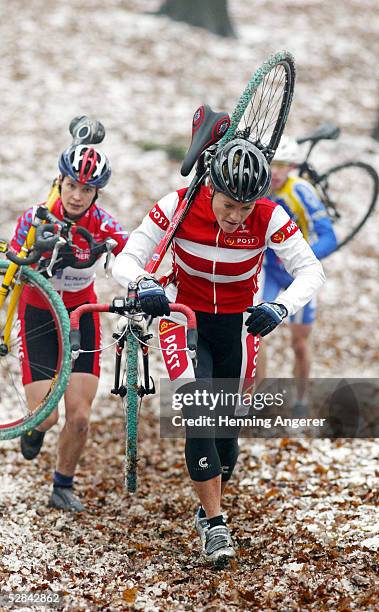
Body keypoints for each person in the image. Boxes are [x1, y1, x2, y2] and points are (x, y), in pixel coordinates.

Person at [112, 137, 325, 567]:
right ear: (212, 188)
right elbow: (126, 259)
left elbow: (311, 270)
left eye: (245, 208)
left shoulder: (268, 216)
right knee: (198, 412)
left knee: (226, 436)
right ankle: (214, 523)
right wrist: (145, 283)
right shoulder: (179, 204)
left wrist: (280, 306)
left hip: (237, 325)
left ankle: (216, 477)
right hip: (183, 318)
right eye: (229, 205)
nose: (236, 217)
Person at [11, 144, 128, 512]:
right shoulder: (35, 217)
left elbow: (134, 259)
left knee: (78, 417)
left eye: (87, 190)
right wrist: (38, 254)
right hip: (38, 315)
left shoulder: (103, 224)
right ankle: (34, 428)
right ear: (59, 181)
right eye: (72, 186)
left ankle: (62, 485)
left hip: (82, 314)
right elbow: (13, 267)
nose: (77, 196)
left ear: (96, 193)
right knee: (47, 417)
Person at [256, 136, 337, 415]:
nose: (275, 172)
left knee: (300, 343)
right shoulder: (256, 186)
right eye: (271, 164)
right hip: (267, 269)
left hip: (295, 273)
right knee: (255, 336)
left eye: (282, 166)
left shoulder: (301, 190)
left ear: (291, 167)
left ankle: (301, 399)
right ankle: (256, 399)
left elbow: (329, 236)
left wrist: (302, 258)